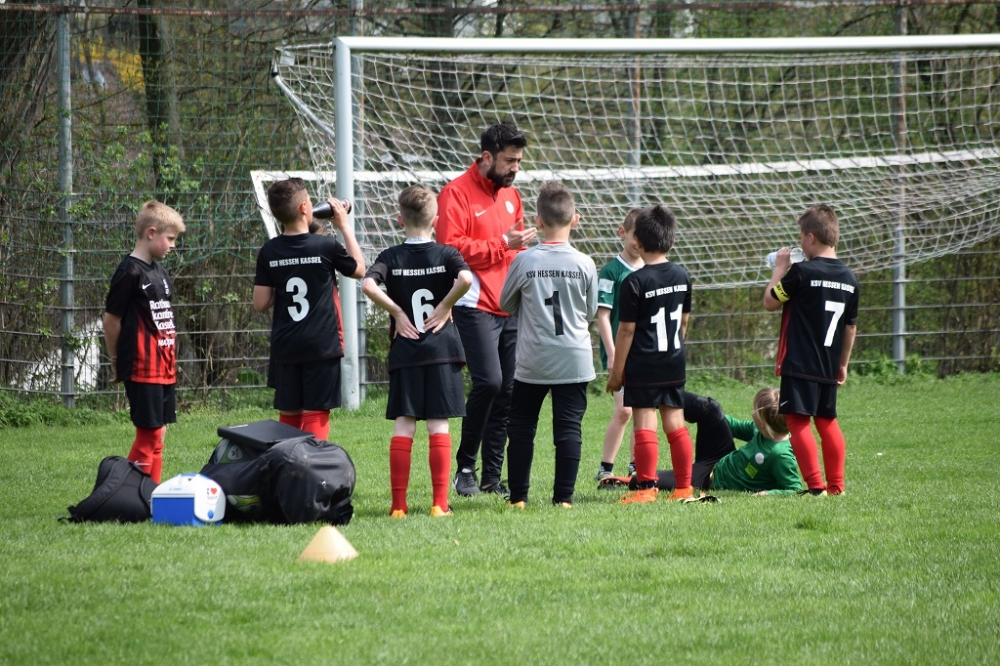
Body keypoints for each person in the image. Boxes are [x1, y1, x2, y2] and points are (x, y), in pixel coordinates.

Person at [361, 185, 474, 518]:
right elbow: (466, 279)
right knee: (438, 425)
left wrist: (397, 312)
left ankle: (398, 506)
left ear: (400, 220)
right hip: (441, 349)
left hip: (406, 350)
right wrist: (445, 306)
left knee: (404, 425)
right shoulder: (447, 254)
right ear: (436, 221)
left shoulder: (390, 257)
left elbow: (367, 284)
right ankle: (439, 504)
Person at [437, 123, 536, 497]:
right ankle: (465, 467)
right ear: (487, 157)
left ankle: (492, 477)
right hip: (473, 305)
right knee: (489, 382)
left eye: (519, 161)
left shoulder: (513, 197)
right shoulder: (455, 193)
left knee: (508, 390)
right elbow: (449, 251)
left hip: (509, 307)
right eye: (510, 161)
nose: (515, 168)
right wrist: (501, 243)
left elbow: (517, 251)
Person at [499, 181, 598, 508]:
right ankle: (564, 499)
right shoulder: (585, 263)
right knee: (568, 428)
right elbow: (590, 311)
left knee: (521, 426)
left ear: (538, 222)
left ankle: (518, 498)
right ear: (575, 220)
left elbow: (505, 304)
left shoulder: (524, 261)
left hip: (534, 358)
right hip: (574, 357)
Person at [253, 178, 365, 441]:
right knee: (316, 410)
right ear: (305, 208)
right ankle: (314, 464)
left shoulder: (269, 250)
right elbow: (359, 269)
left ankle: (286, 463)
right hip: (321, 343)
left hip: (286, 343)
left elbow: (260, 303)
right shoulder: (325, 246)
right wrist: (344, 226)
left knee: (290, 412)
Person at [763, 204, 858, 496]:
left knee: (797, 420)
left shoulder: (801, 273)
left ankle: (815, 486)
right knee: (827, 421)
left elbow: (770, 301)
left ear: (811, 237)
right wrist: (843, 364)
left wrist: (780, 269)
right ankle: (837, 487)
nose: (800, 245)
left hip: (800, 362)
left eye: (801, 238)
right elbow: (850, 328)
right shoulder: (850, 278)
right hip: (829, 363)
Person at [605, 204, 695, 504]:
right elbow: (683, 322)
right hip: (673, 360)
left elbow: (626, 332)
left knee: (644, 422)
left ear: (638, 242)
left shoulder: (634, 282)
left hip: (644, 363)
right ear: (671, 240)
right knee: (676, 423)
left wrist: (617, 373)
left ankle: (646, 488)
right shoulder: (682, 275)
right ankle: (684, 488)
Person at [103, 200, 186, 484]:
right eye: (170, 238)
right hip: (142, 367)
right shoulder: (129, 272)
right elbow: (111, 320)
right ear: (151, 233)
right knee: (148, 434)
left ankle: (151, 495)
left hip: (164, 367)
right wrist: (116, 359)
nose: (173, 245)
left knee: (159, 434)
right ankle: (126, 493)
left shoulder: (160, 273)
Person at [600, 389, 803, 495]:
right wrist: (709, 416)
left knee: (644, 481)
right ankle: (659, 393)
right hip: (719, 457)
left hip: (708, 479)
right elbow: (733, 425)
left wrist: (769, 494)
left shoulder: (781, 455)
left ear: (765, 423)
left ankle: (626, 480)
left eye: (755, 412)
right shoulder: (760, 430)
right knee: (712, 408)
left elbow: (793, 488)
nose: (752, 413)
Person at [594, 208, 643, 483]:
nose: (639, 242)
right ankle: (606, 467)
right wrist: (612, 354)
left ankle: (636, 466)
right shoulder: (611, 271)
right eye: (635, 235)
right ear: (622, 233)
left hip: (643, 353)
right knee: (624, 410)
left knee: (642, 410)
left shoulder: (651, 269)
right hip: (619, 352)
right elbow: (602, 316)